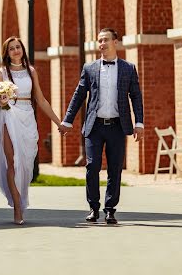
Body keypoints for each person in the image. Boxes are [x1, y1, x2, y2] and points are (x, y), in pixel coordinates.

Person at [0, 35, 65, 225]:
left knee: (25, 163)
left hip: (27, 117)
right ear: (7, 52)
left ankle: (20, 196)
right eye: (11, 48)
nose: (15, 51)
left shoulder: (31, 71)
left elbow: (41, 99)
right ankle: (17, 208)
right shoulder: (1, 73)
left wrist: (58, 122)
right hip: (7, 117)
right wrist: (3, 102)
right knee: (12, 162)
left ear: (23, 50)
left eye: (18, 47)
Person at [60, 28, 144, 225]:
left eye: (106, 40)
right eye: (99, 41)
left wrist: (139, 122)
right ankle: (93, 207)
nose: (102, 44)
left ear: (116, 42)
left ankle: (110, 210)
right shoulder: (89, 68)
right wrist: (67, 120)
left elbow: (136, 97)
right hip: (94, 127)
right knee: (92, 166)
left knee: (115, 169)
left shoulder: (128, 68)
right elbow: (78, 95)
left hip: (117, 126)